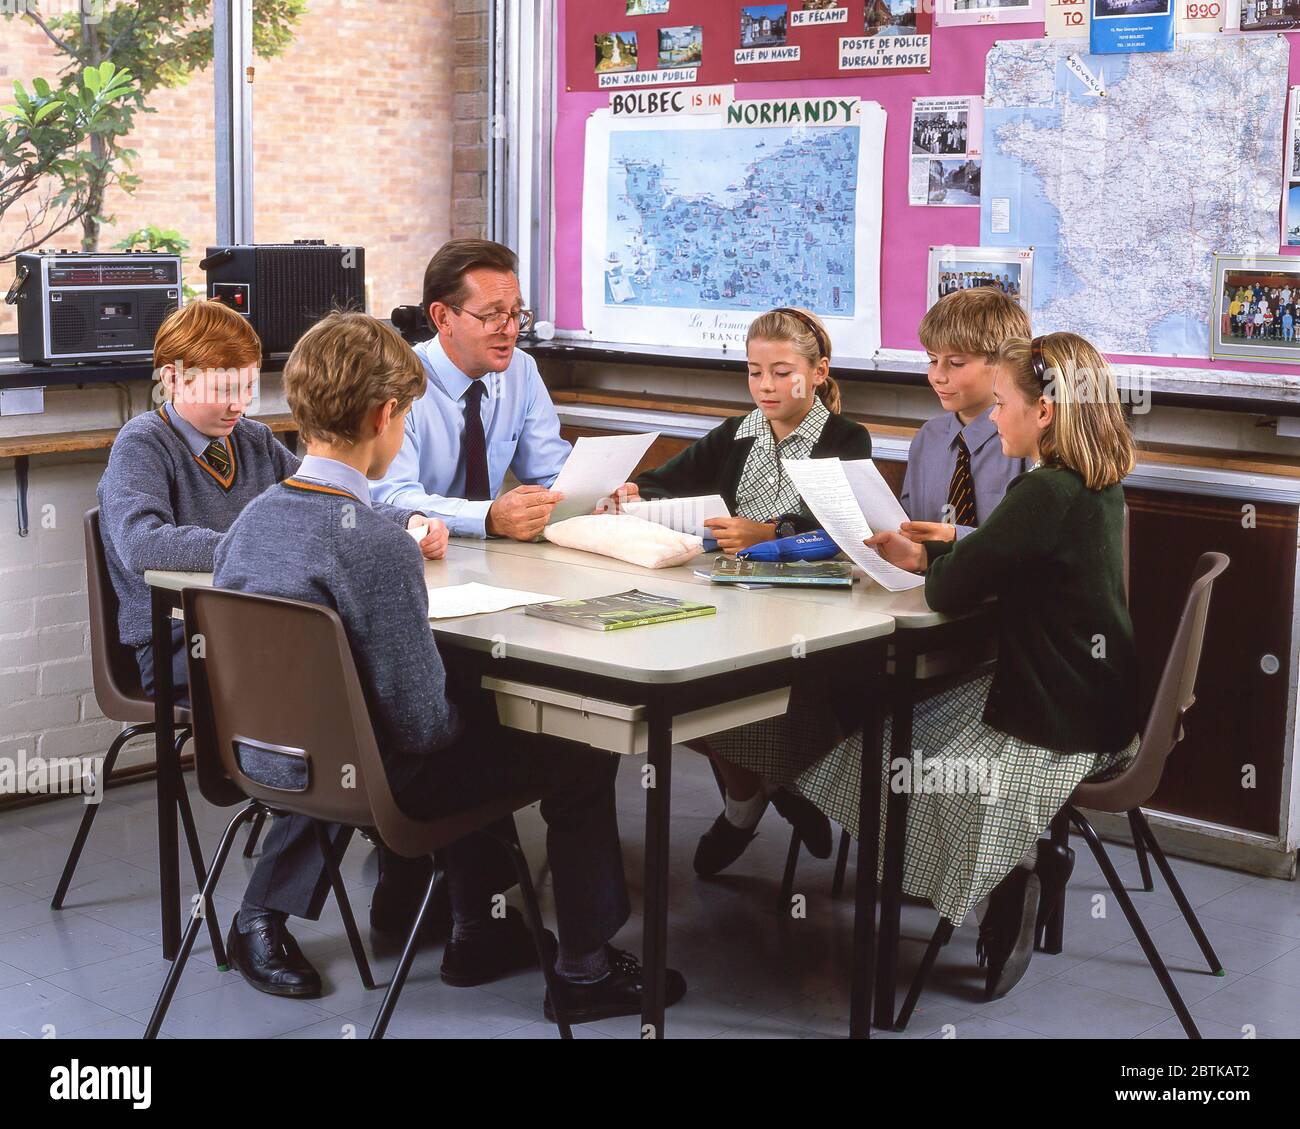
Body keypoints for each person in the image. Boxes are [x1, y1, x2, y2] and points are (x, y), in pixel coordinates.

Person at [216, 312, 686, 1022]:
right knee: (581, 751)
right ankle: (584, 971)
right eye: (404, 417)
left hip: (269, 760)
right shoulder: (378, 546)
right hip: (382, 785)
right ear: (384, 414)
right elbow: (425, 727)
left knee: (472, 720)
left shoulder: (250, 521)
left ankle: (482, 926)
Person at [97, 299, 446, 702]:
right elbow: (143, 544)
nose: (238, 405)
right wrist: (261, 547)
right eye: (223, 390)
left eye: (247, 388)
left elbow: (320, 495)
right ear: (173, 380)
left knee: (361, 656)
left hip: (251, 621)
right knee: (342, 664)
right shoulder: (142, 444)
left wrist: (405, 520)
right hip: (177, 639)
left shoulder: (252, 438)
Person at [633, 307, 873, 872]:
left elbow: (843, 529)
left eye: (782, 371)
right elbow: (662, 483)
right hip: (728, 599)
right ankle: (767, 790)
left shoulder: (845, 437)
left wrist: (768, 532)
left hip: (812, 611)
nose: (766, 386)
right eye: (753, 371)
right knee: (680, 690)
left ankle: (765, 792)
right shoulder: (737, 434)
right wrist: (633, 492)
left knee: (743, 695)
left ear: (818, 372)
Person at [372, 239, 638, 540]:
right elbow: (392, 498)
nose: (510, 330)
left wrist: (596, 497)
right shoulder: (397, 379)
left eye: (515, 314)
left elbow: (551, 473)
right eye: (493, 316)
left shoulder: (520, 370)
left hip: (494, 556)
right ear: (443, 318)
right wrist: (488, 518)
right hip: (419, 554)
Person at [900, 287, 1032, 544]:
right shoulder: (928, 438)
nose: (938, 375)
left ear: (1006, 361)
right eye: (932, 360)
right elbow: (908, 521)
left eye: (957, 363)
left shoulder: (1027, 443)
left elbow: (1028, 543)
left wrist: (954, 537)